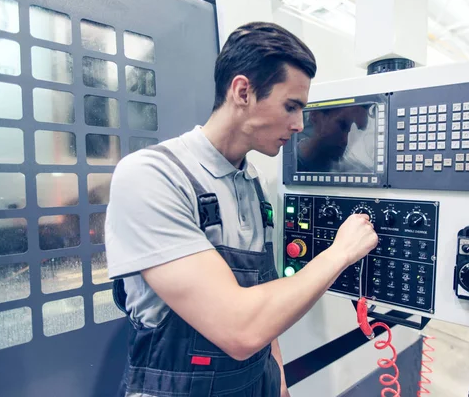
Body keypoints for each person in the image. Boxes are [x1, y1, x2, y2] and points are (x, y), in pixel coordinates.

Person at [105, 22, 378, 397]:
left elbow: (264, 298)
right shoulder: (152, 177)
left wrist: (278, 378)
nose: (299, 125)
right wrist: (341, 253)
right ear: (243, 91)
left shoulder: (254, 185)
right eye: (291, 106)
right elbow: (241, 329)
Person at [296, 104, 371, 173]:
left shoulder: (354, 171)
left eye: (358, 132)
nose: (346, 141)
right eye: (342, 125)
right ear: (314, 115)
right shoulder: (291, 162)